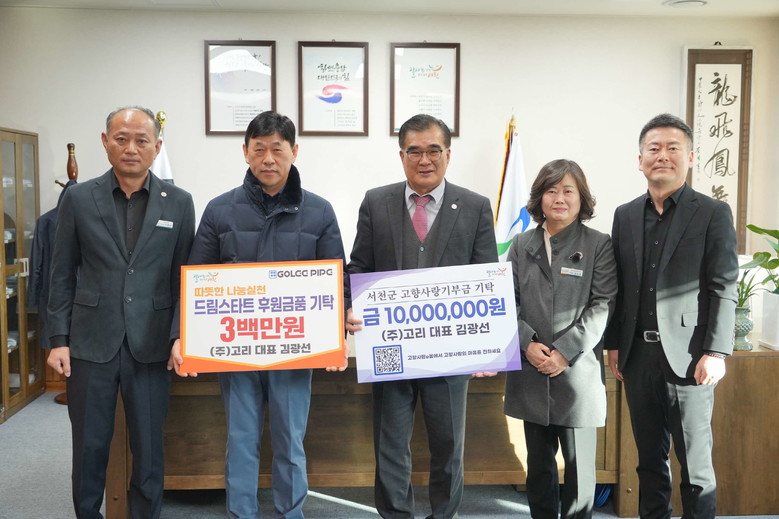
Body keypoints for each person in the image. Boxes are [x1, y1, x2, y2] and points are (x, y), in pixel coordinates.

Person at [168, 111, 348, 519]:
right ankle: (242, 513)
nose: (268, 158)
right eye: (259, 149)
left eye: (277, 149)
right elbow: (193, 280)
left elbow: (337, 280)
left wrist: (336, 333)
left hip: (295, 350)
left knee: (290, 441)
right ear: (245, 152)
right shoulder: (219, 210)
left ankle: (291, 513)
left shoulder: (319, 211)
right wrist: (181, 335)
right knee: (241, 439)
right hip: (236, 350)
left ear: (294, 152)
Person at [46, 106, 195, 519]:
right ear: (105, 142)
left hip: (152, 343)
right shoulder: (78, 198)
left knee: (149, 448)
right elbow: (61, 273)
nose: (131, 148)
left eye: (142, 140)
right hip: (90, 342)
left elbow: (184, 278)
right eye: (122, 138)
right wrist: (58, 339)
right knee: (89, 445)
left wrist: (179, 334)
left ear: (157, 147)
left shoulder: (179, 202)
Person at [346, 114, 498, 519]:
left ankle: (443, 514)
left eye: (433, 150)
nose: (424, 159)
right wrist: (351, 305)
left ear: (448, 153)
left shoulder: (475, 206)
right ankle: (396, 514)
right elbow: (359, 266)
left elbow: (487, 278)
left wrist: (488, 345)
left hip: (451, 351)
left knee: (448, 444)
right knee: (390, 442)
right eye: (414, 151)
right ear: (402, 156)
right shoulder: (376, 202)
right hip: (389, 348)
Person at [605, 113, 738, 519]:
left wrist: (716, 351)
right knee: (649, 462)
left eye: (672, 148)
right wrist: (613, 344)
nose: (662, 155)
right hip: (637, 358)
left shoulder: (712, 212)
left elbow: (723, 284)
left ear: (691, 157)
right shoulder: (625, 214)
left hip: (691, 357)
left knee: (695, 467)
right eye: (654, 148)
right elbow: (619, 286)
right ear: (640, 160)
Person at [503, 159, 617, 519]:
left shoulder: (598, 244)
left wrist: (564, 353)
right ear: (540, 197)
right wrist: (527, 343)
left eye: (568, 190)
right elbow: (506, 302)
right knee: (538, 470)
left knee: (580, 471)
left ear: (581, 198)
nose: (560, 198)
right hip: (531, 370)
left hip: (576, 375)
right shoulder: (521, 244)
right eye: (552, 191)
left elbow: (603, 305)